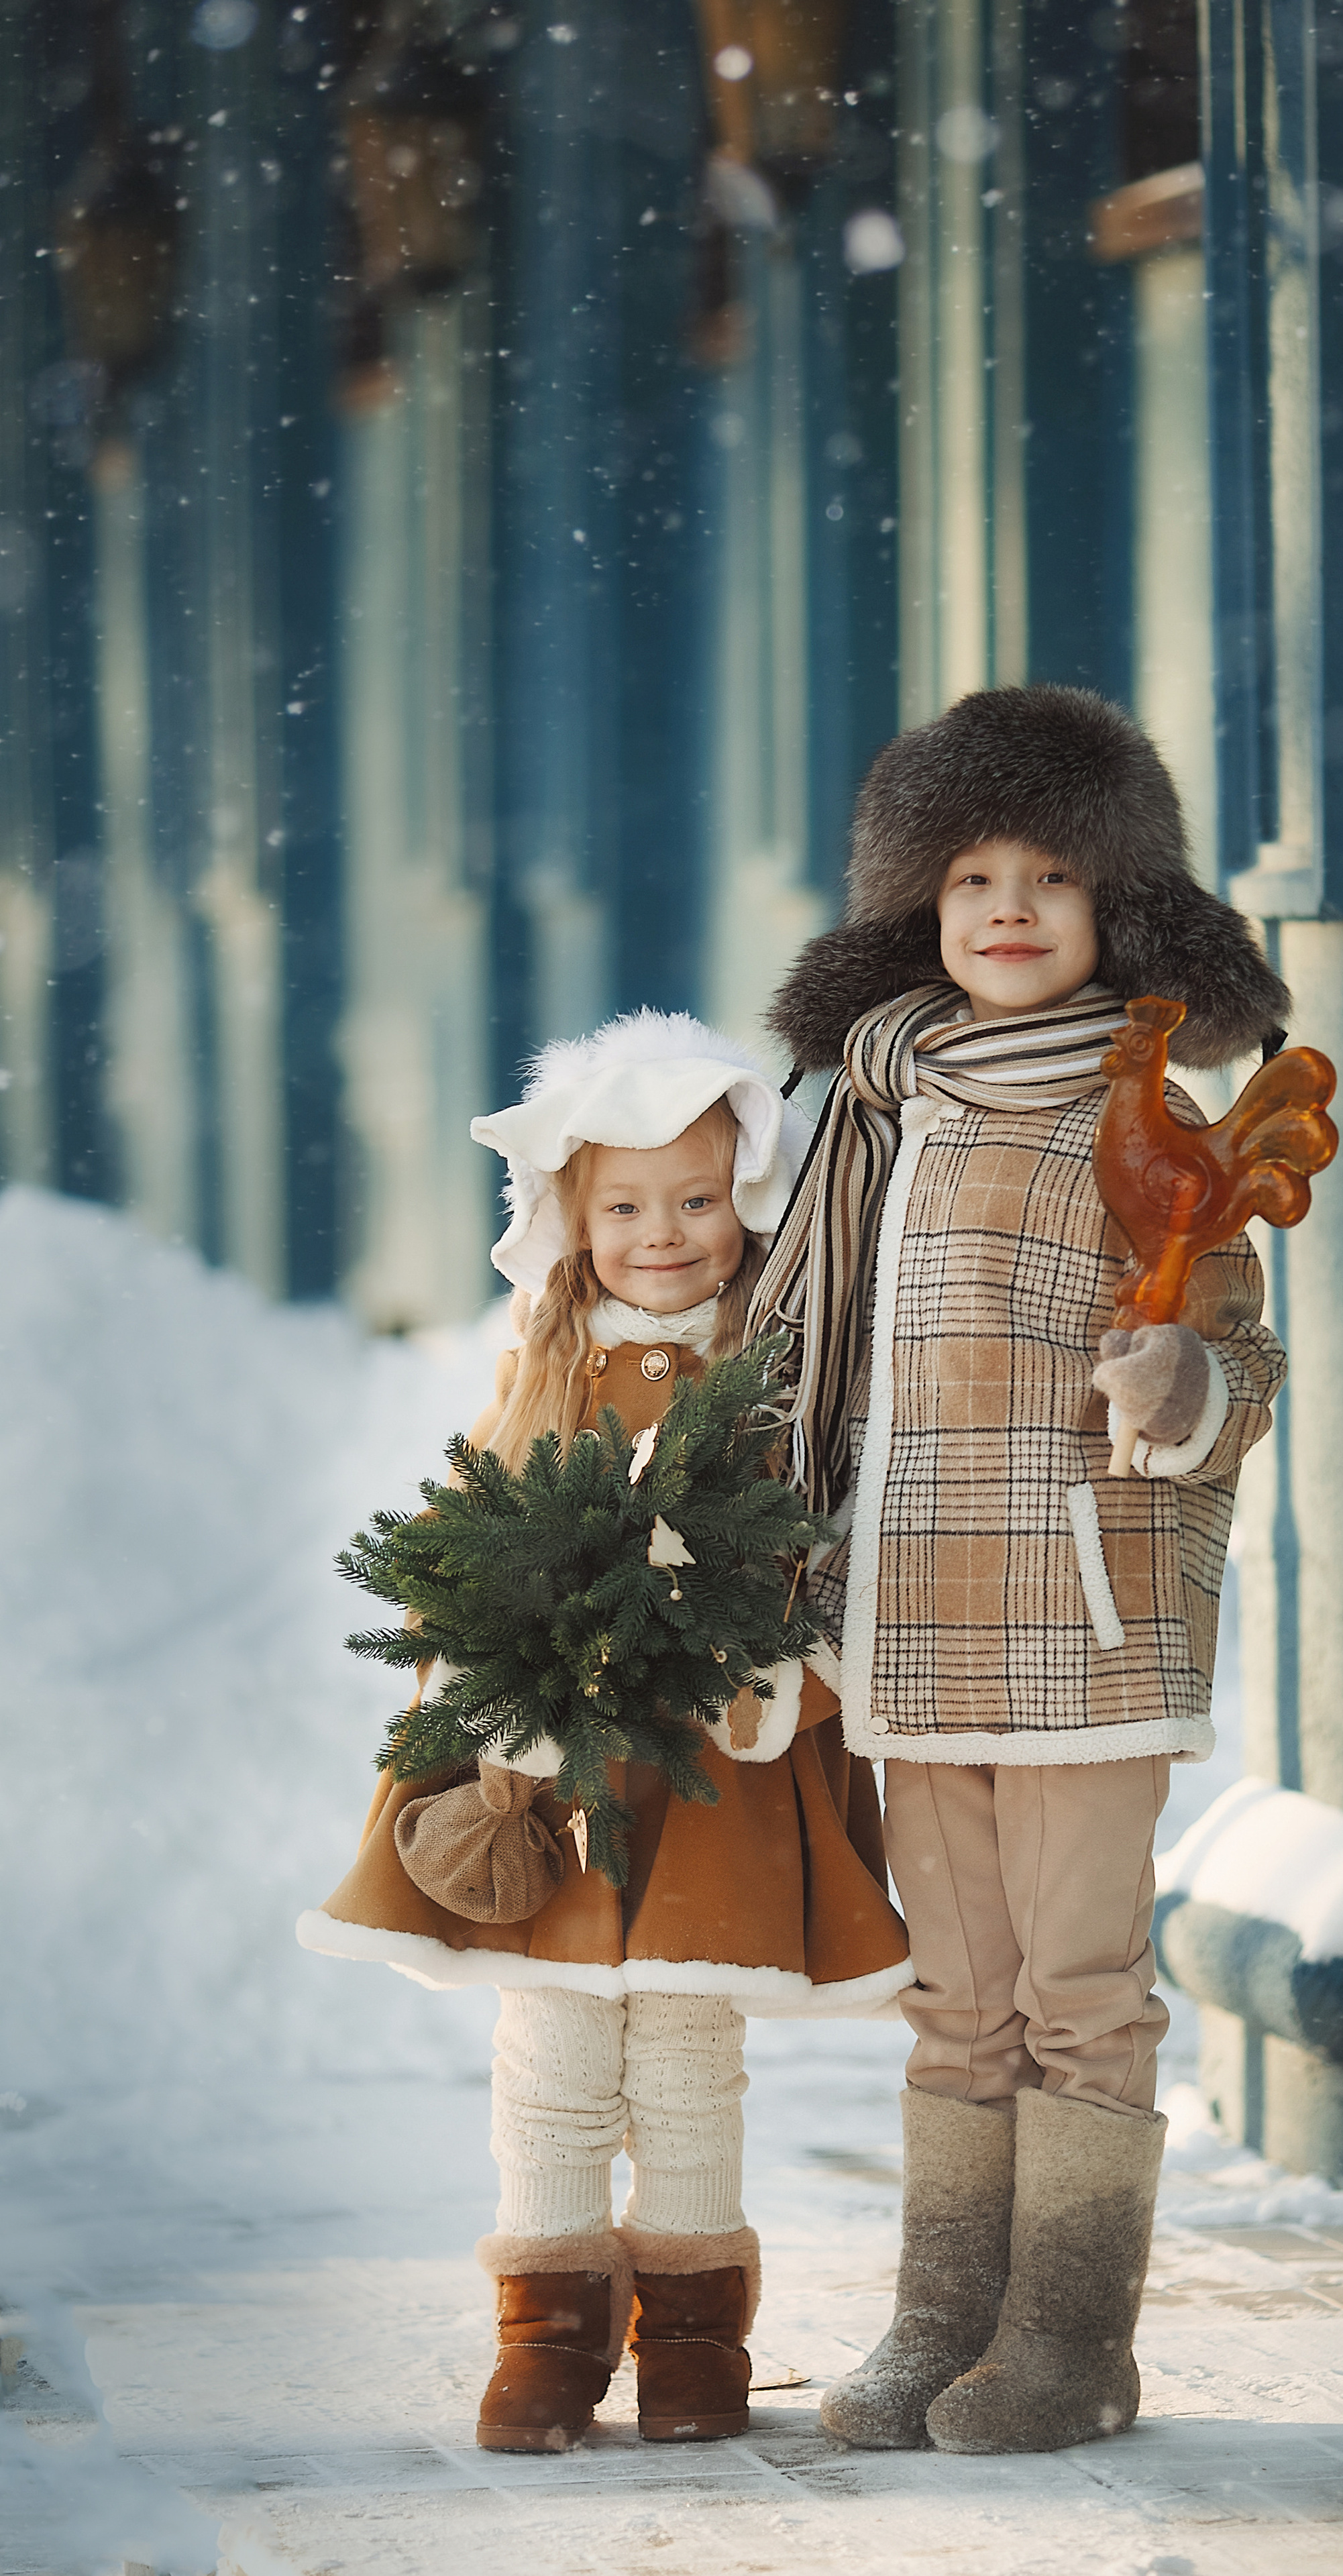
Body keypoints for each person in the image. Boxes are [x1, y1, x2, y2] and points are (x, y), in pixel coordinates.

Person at [749, 686, 1291, 2457]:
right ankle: (940, 2318)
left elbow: (1243, 1361)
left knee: (1078, 1990)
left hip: (1083, 1614)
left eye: (1049, 873)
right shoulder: (876, 1111)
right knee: (956, 1993)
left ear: (1116, 905)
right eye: (969, 871)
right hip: (913, 1614)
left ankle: (1067, 2336)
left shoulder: (1159, 1125)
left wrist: (1187, 1379)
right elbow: (805, 1346)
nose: (1005, 905)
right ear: (918, 904)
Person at [299, 1011, 912, 2453]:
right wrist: (495, 1709)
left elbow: (830, 1559)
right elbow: (478, 1553)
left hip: (716, 1770)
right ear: (572, 1219)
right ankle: (552, 2332)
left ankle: (694, 2338)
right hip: (560, 1764)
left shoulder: (780, 1372)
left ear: (743, 1205)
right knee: (559, 2051)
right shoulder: (544, 1369)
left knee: (688, 2054)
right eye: (625, 1205)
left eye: (696, 1199)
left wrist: (772, 1680)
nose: (663, 1233)